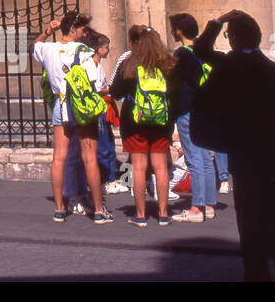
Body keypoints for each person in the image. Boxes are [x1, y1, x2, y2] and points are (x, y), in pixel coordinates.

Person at [194, 10, 275, 282]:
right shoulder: (269, 68)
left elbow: (200, 49)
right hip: (269, 149)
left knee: (248, 217)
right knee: (267, 212)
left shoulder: (229, 65)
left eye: (229, 35)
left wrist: (218, 20)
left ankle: (258, 273)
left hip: (243, 151)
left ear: (234, 38)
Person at [32, 12, 111, 223]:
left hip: (61, 103)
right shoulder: (85, 51)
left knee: (59, 157)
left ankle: (59, 208)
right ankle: (98, 209)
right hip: (81, 105)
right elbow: (94, 82)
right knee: (89, 157)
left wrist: (49, 30)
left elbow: (36, 45)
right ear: (74, 29)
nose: (85, 33)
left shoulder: (49, 49)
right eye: (83, 29)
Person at [111, 26, 177, 227]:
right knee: (161, 167)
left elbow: (115, 92)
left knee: (139, 168)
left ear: (134, 43)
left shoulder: (129, 64)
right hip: (161, 122)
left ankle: (140, 216)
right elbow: (174, 94)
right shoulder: (168, 65)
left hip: (134, 122)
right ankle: (164, 213)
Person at [63, 33, 122, 210]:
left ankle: (103, 183)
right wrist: (106, 91)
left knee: (105, 147)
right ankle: (98, 199)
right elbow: (94, 89)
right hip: (92, 111)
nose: (108, 50)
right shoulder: (89, 64)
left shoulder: (92, 64)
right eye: (106, 47)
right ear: (96, 48)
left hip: (95, 109)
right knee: (96, 152)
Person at [169, 13, 217, 222]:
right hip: (204, 108)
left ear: (179, 31)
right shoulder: (203, 52)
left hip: (186, 108)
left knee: (193, 159)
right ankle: (208, 204)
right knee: (205, 157)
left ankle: (196, 208)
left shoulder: (182, 54)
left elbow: (175, 85)